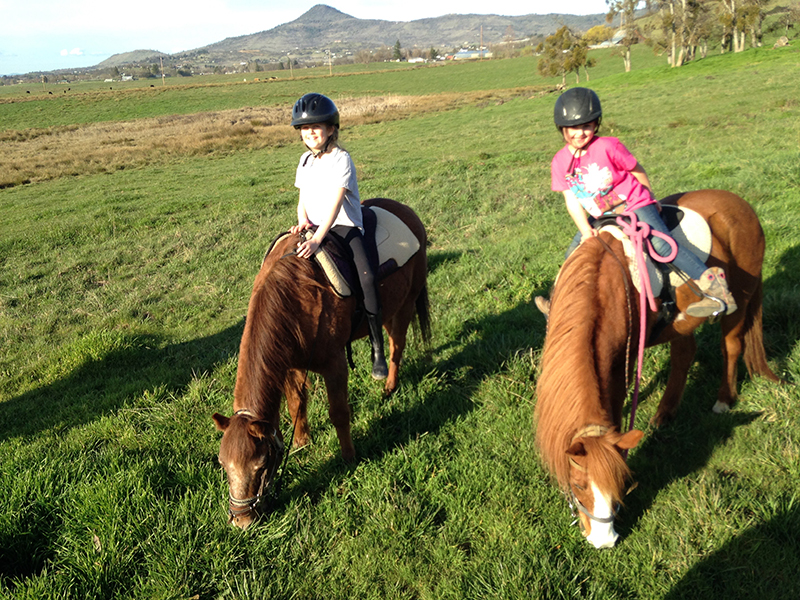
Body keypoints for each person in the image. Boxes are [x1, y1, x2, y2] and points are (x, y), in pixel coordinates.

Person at [535, 87, 736, 319]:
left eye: (587, 126)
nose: (580, 133)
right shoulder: (560, 162)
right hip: (600, 213)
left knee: (663, 246)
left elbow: (636, 170)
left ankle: (717, 292)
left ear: (596, 125)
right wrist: (585, 230)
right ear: (561, 127)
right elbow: (571, 201)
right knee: (572, 254)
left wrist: (650, 197)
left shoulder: (608, 146)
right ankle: (559, 303)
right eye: (573, 128)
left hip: (632, 202)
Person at [289, 93, 388, 379]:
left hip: (343, 225)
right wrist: (302, 222)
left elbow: (335, 205)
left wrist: (318, 238)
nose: (310, 133)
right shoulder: (305, 161)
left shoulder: (341, 159)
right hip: (315, 225)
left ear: (331, 129)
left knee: (367, 278)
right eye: (305, 129)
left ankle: (377, 348)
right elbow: (302, 199)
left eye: (316, 127)